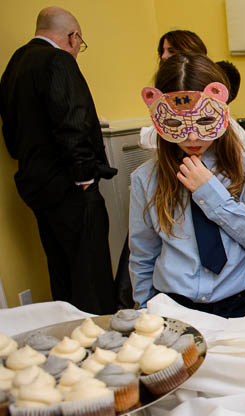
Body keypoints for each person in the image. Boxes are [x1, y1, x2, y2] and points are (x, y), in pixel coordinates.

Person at [129, 54, 245, 317]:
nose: (192, 136)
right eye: (176, 123)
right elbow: (143, 254)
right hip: (173, 307)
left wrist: (213, 195)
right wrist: (144, 309)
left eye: (204, 122)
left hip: (240, 306)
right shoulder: (145, 179)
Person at [0, 7, 117, 314]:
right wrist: (85, 178)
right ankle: (101, 339)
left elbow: (11, 134)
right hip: (70, 186)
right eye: (80, 44)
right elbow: (73, 122)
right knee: (91, 273)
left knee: (61, 269)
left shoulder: (15, 64)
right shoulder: (59, 60)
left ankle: (70, 338)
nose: (78, 50)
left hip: (35, 185)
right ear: (72, 36)